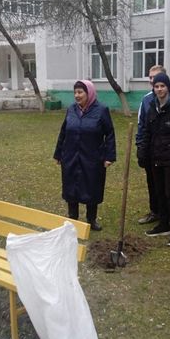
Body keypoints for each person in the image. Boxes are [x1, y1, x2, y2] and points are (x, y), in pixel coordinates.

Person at [54, 80, 116, 231]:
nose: (77, 95)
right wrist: (58, 153)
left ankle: (91, 219)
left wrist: (109, 156)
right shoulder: (71, 110)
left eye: (80, 92)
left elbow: (110, 134)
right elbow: (63, 132)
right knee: (71, 186)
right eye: (75, 92)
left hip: (93, 157)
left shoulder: (101, 110)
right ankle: (73, 217)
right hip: (71, 156)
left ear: (89, 93)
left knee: (91, 187)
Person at [137, 73, 170, 247]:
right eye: (156, 86)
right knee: (159, 192)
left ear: (168, 87)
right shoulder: (153, 107)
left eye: (162, 86)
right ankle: (164, 224)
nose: (159, 89)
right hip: (155, 157)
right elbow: (147, 132)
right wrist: (143, 152)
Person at [135, 65, 166, 225]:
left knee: (166, 185)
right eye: (150, 78)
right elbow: (141, 124)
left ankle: (167, 215)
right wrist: (140, 147)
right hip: (149, 149)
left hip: (165, 151)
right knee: (152, 182)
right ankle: (155, 211)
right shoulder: (146, 100)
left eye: (155, 77)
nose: (152, 81)